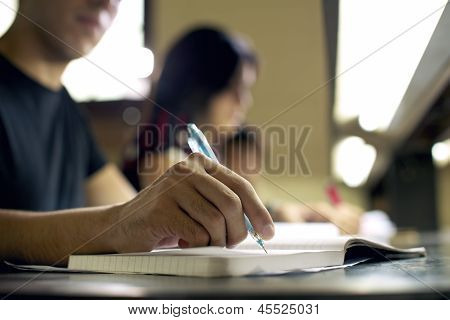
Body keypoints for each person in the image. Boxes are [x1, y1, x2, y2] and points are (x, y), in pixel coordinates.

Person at [0, 0, 274, 266]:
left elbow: (132, 209)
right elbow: (125, 219)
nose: (106, 2)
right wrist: (123, 222)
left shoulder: (67, 111)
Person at [124, 27, 362, 234]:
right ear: (201, 88)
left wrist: (301, 212)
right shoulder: (162, 152)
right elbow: (210, 209)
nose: (244, 101)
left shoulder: (193, 145)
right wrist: (289, 212)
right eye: (235, 89)